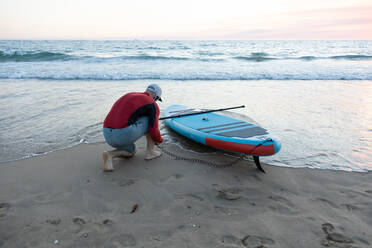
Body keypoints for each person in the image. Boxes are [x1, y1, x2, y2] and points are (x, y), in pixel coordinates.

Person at [102, 84, 163, 172]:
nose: (156, 101)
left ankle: (110, 155)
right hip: (122, 134)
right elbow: (153, 129)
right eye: (157, 99)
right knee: (151, 121)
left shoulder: (131, 95)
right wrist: (159, 140)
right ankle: (150, 152)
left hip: (107, 134)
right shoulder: (152, 104)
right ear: (155, 96)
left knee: (131, 151)